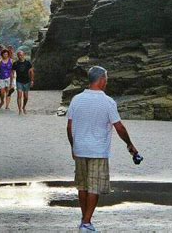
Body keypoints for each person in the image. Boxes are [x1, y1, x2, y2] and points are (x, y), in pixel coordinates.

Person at [66, 66, 139, 232]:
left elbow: (69, 126)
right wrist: (129, 144)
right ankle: (86, 223)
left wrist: (73, 146)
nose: (107, 82)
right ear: (101, 80)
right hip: (98, 150)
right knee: (94, 186)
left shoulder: (76, 99)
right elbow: (119, 126)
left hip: (80, 148)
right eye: (106, 79)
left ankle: (85, 220)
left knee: (83, 186)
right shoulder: (108, 102)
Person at [13, 50, 34, 115]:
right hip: (19, 81)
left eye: (21, 55)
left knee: (26, 97)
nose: (20, 56)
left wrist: (32, 80)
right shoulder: (15, 63)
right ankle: (19, 109)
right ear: (17, 56)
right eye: (19, 55)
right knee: (19, 95)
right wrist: (11, 82)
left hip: (27, 81)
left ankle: (23, 107)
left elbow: (31, 72)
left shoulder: (28, 63)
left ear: (23, 55)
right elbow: (12, 72)